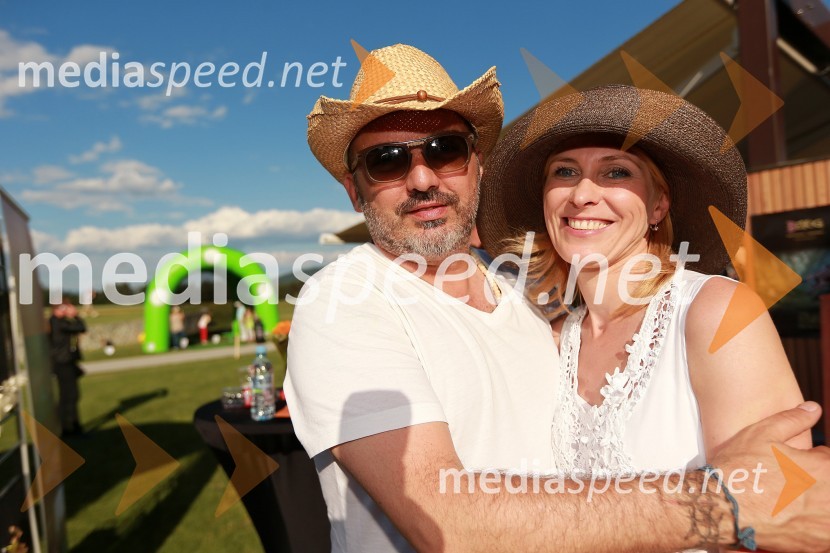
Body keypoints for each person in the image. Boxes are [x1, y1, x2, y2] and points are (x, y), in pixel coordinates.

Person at [285, 44, 830, 553]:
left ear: (478, 166)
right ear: (355, 190)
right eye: (386, 161)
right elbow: (443, 520)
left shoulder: (535, 311)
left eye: (444, 150)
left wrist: (753, 505)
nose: (422, 176)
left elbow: (796, 510)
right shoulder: (342, 301)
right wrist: (721, 503)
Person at [475, 84, 811, 481]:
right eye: (564, 171)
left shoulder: (714, 310)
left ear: (658, 205)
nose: (582, 194)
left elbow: (780, 505)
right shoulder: (553, 341)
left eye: (616, 172)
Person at [49, 298, 86, 437]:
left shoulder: (57, 322)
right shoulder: (58, 323)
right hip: (62, 363)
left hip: (65, 362)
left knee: (70, 396)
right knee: (69, 396)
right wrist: (76, 316)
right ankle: (67, 428)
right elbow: (82, 327)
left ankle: (74, 427)